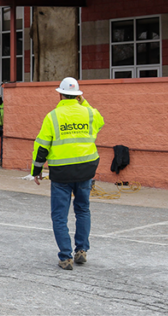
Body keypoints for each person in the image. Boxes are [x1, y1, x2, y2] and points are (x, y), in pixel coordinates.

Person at [32, 77, 105, 270]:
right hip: (85, 170)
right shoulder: (90, 113)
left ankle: (66, 257)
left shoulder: (53, 116)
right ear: (79, 95)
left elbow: (42, 146)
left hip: (62, 174)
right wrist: (84, 102)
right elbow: (100, 122)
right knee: (82, 210)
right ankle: (81, 250)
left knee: (59, 216)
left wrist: (37, 170)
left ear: (60, 94)